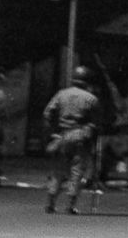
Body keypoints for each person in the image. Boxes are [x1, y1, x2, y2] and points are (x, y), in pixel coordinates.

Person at [41, 66, 102, 214]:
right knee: (76, 171)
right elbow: (97, 122)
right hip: (80, 136)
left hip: (62, 136)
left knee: (58, 171)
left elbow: (47, 113)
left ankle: (50, 203)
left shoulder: (61, 94)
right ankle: (70, 205)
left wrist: (52, 133)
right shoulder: (91, 99)